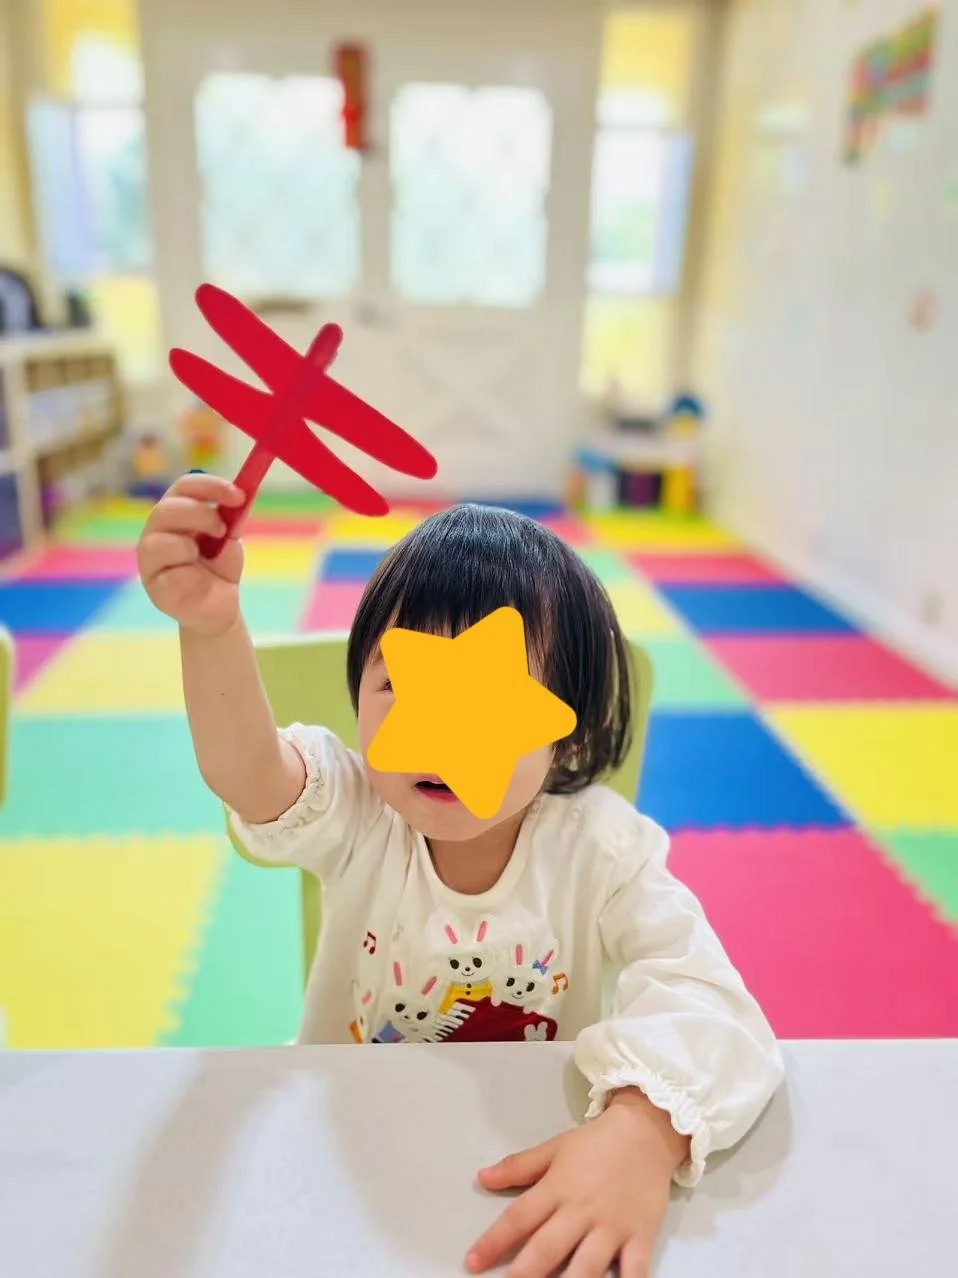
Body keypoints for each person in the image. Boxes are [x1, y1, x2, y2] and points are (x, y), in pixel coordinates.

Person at [138, 473, 784, 1278]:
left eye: (485, 703)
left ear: (568, 740)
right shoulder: (358, 814)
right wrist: (210, 629)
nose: (437, 738)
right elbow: (250, 773)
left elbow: (712, 999)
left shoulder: (604, 852)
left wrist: (643, 1131)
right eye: (399, 689)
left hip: (529, 1159)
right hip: (351, 1154)